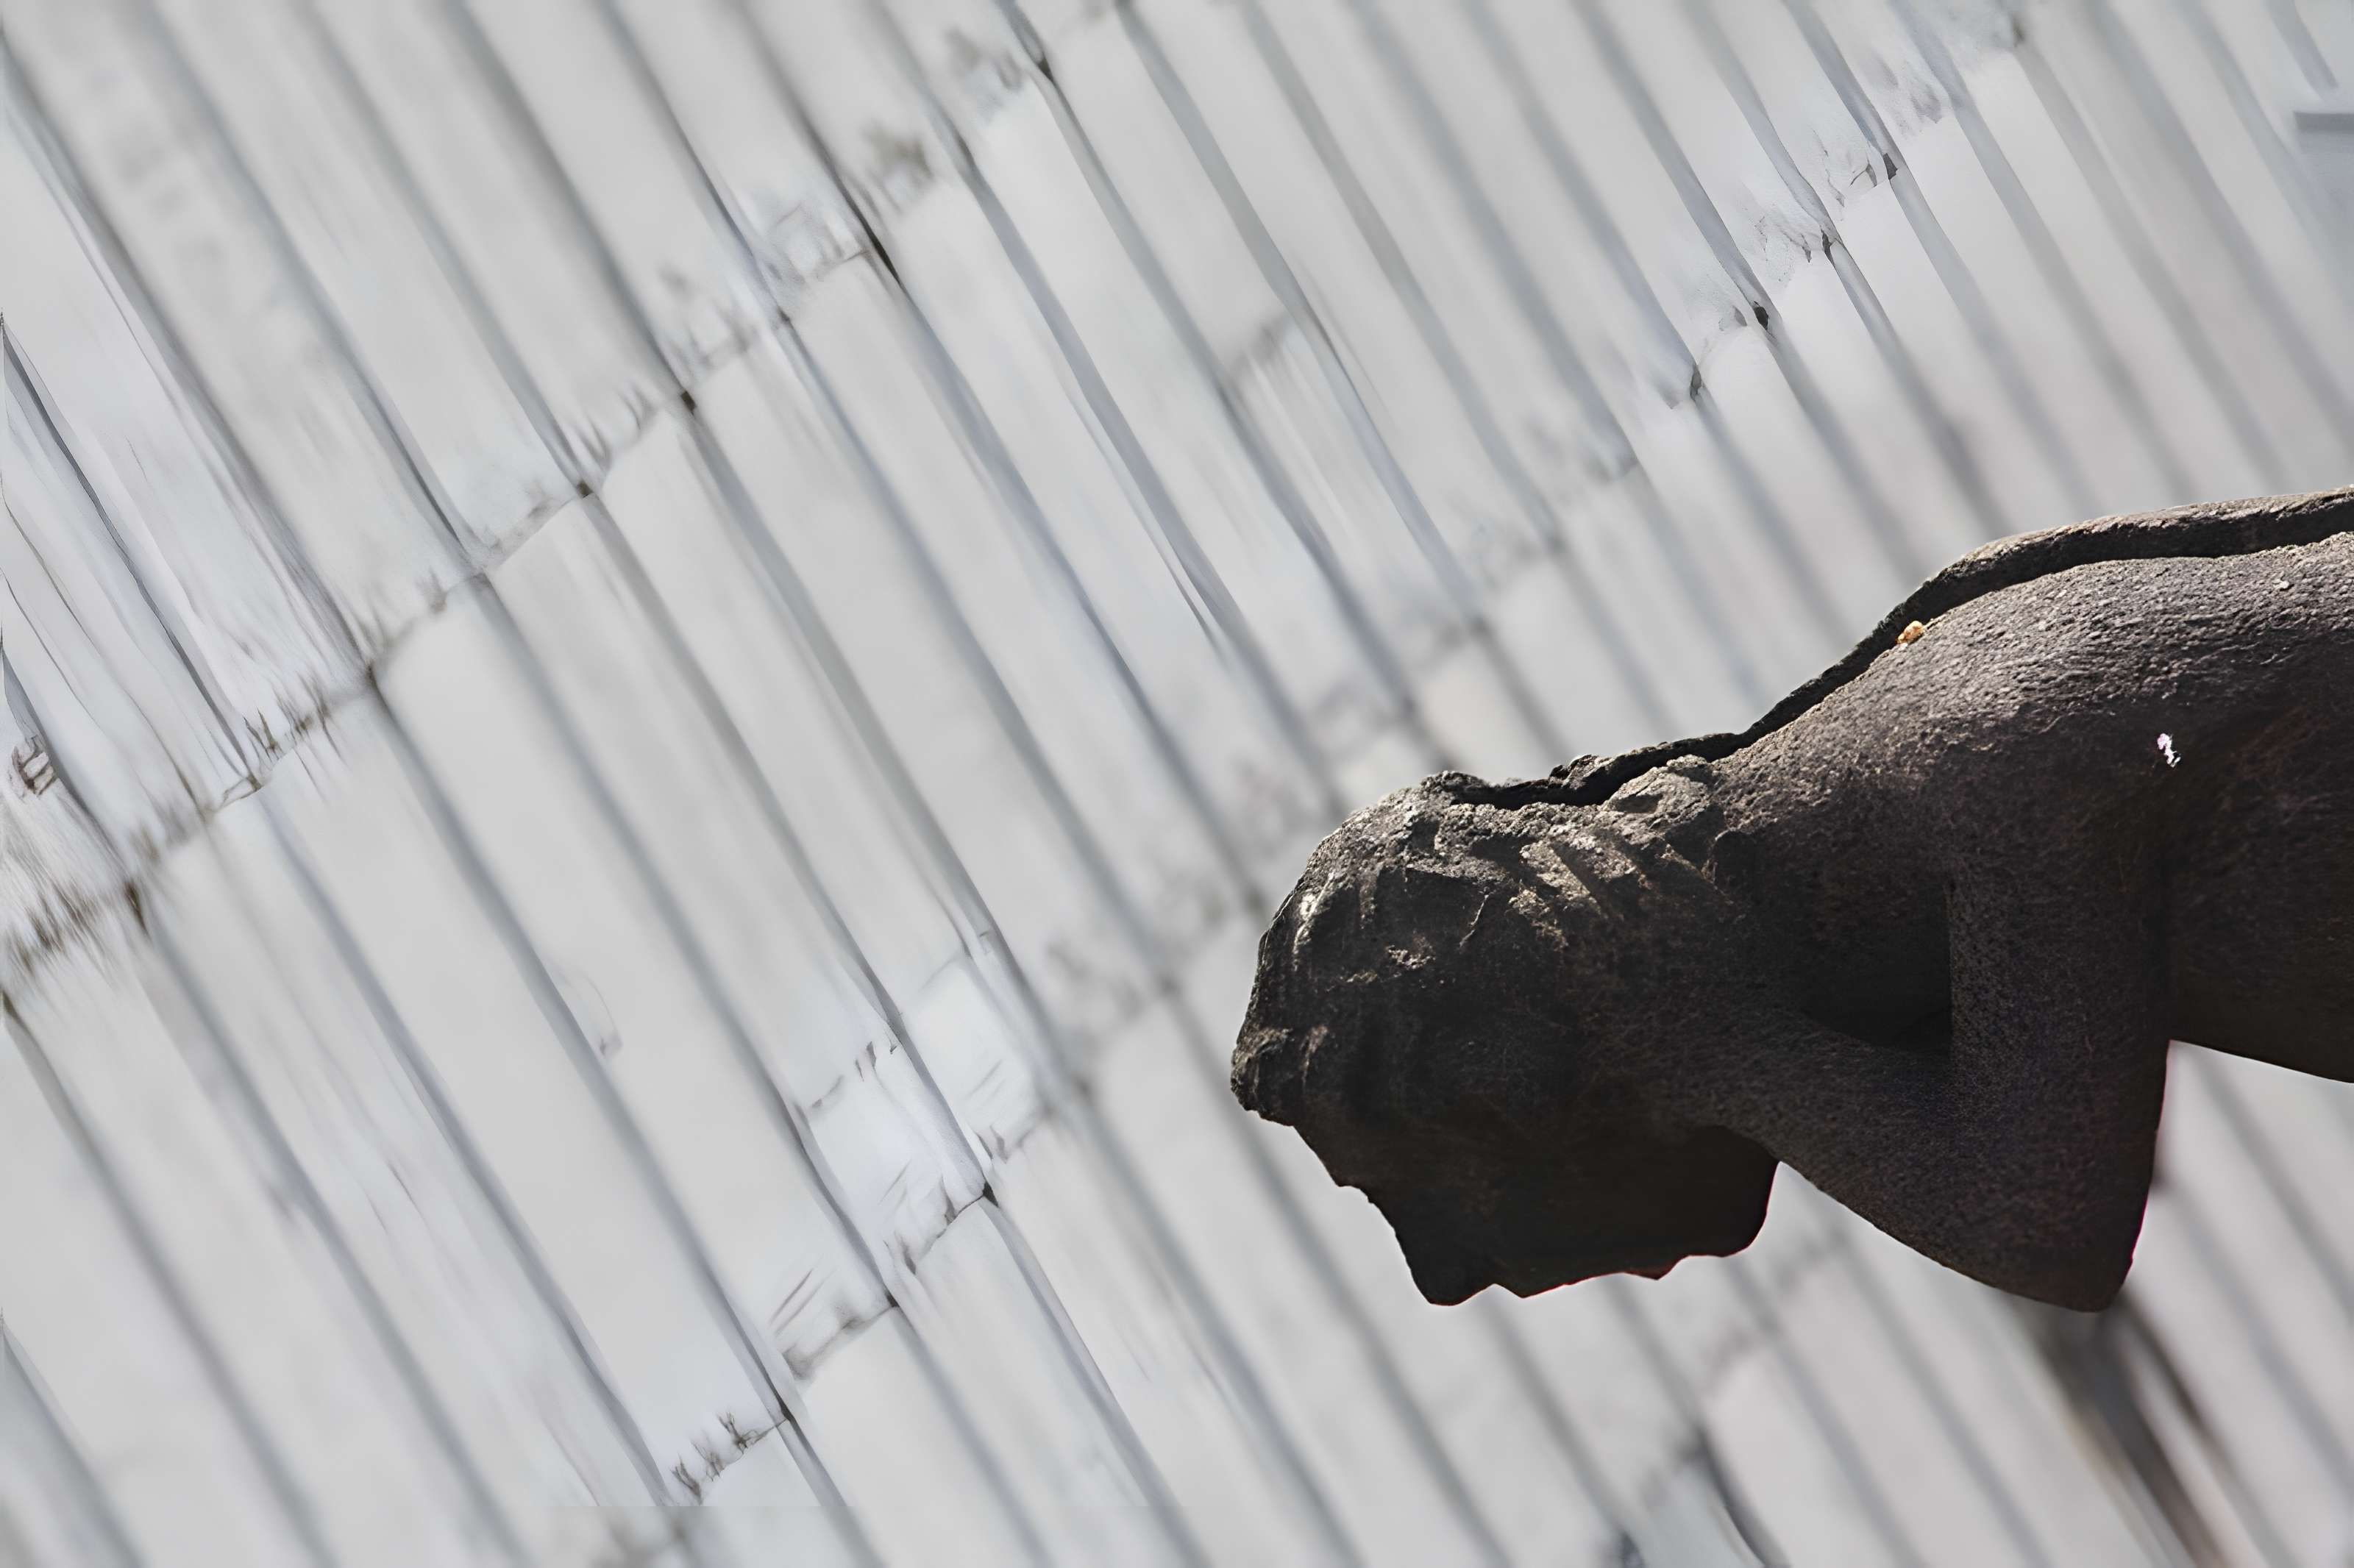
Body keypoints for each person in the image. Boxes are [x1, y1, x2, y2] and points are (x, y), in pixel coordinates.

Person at [1231, 488, 2354, 1311]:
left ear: (1563, 1066)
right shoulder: (1922, 761)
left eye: (1413, 1196)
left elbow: (2051, 1225)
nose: (1449, 1276)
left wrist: (1717, 1047)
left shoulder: (1978, 760)